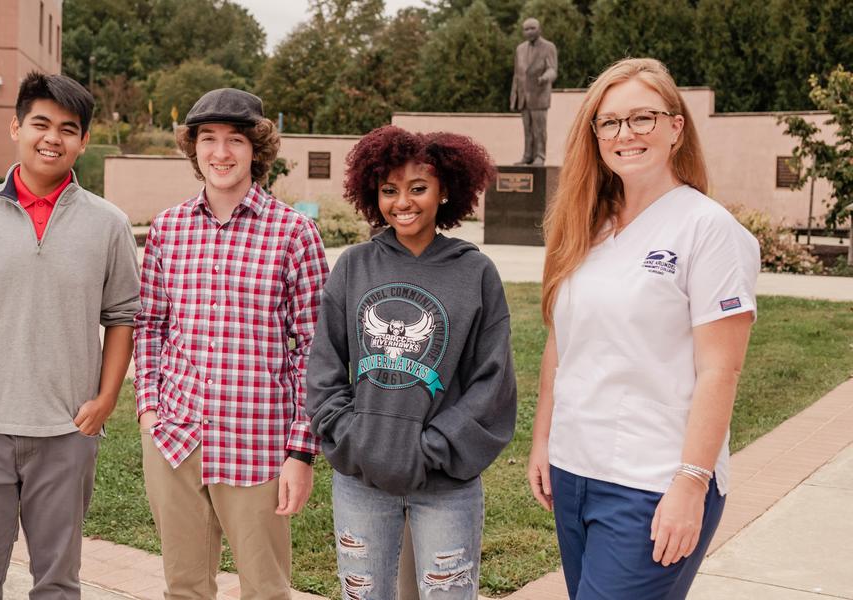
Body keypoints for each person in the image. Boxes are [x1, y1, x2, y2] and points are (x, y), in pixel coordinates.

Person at [526, 58, 759, 600]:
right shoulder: (587, 227)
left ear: (676, 127)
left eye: (642, 118)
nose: (624, 134)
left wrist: (690, 483)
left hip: (653, 482)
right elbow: (560, 345)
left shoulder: (708, 229)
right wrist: (544, 441)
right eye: (609, 122)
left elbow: (720, 370)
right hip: (574, 470)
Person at [0, 71, 140, 599]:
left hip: (66, 432)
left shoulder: (108, 224)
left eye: (68, 129)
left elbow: (122, 316)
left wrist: (107, 398)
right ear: (15, 127)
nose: (53, 138)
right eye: (40, 123)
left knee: (59, 584)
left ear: (84, 141)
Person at [133, 88, 329, 600]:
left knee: (266, 590)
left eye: (235, 140)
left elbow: (318, 351)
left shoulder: (295, 234)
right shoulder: (168, 229)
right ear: (193, 148)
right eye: (209, 139)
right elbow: (150, 324)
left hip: (256, 441)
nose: (221, 152)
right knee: (185, 586)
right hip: (175, 438)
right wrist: (149, 409)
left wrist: (301, 452)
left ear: (256, 148)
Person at [307, 126, 517, 599]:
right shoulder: (354, 266)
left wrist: (432, 449)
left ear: (445, 191)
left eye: (418, 188)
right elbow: (325, 367)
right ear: (372, 194)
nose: (403, 202)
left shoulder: (474, 272)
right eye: (389, 190)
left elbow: (493, 382)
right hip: (361, 478)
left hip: (447, 483)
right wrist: (356, 439)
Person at [510, 17, 558, 166]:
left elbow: (552, 69)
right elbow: (517, 74)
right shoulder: (520, 48)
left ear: (539, 29)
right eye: (526, 29)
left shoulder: (548, 47)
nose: (529, 31)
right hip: (523, 96)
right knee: (527, 129)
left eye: (532, 28)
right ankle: (527, 155)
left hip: (539, 94)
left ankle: (540, 156)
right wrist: (514, 97)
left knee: (539, 129)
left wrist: (545, 77)